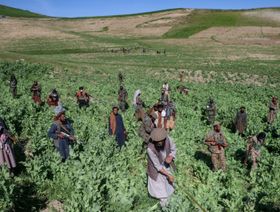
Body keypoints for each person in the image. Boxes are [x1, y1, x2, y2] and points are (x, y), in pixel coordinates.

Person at [147, 128, 176, 208]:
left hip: (165, 164)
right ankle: (163, 202)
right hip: (156, 168)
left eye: (161, 141)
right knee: (159, 186)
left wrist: (170, 156)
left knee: (168, 183)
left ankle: (169, 195)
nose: (160, 143)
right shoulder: (150, 149)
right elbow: (158, 167)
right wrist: (168, 175)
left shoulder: (169, 139)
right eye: (157, 142)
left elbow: (173, 150)